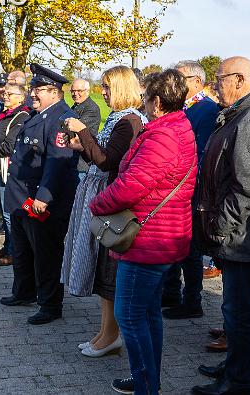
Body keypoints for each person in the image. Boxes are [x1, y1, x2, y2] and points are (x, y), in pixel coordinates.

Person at [90, 69, 197, 394]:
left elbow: (129, 187)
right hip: (158, 233)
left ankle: (146, 386)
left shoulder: (163, 136)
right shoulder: (174, 126)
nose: (142, 100)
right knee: (148, 313)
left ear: (157, 101)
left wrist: (97, 204)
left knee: (130, 316)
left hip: (147, 238)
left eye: (146, 94)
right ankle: (146, 380)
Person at [192, 57, 250, 395]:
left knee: (238, 310)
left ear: (240, 80)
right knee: (234, 307)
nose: (215, 85)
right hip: (236, 233)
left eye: (219, 79)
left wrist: (221, 227)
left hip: (241, 234)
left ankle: (237, 382)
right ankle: (232, 368)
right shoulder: (244, 113)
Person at [61, 65, 147, 358]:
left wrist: (83, 131)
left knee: (109, 271)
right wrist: (81, 146)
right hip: (102, 194)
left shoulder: (130, 121)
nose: (104, 93)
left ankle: (111, 334)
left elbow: (109, 161)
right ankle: (104, 332)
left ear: (122, 88)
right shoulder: (118, 118)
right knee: (102, 270)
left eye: (108, 88)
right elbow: (100, 156)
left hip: (113, 202)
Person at [0, 63, 79, 325]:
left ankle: (50, 304)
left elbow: (57, 162)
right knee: (22, 250)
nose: (33, 93)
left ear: (55, 92)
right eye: (33, 88)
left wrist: (43, 196)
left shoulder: (61, 118)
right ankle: (24, 292)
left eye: (40, 89)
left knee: (46, 254)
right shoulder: (37, 114)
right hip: (22, 198)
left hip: (41, 201)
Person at [162, 60, 219, 321]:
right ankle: (171, 292)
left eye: (181, 78)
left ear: (196, 82)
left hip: (191, 189)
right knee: (174, 243)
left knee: (191, 249)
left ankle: (192, 299)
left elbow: (201, 152)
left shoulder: (206, 109)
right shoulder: (183, 108)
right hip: (175, 188)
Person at [0, 83, 30, 266]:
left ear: (21, 98)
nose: (5, 96)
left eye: (10, 94)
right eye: (5, 93)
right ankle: (8, 247)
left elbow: (9, 145)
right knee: (4, 211)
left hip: (7, 168)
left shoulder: (21, 117)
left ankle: (15, 253)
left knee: (9, 214)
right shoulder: (3, 115)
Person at [70, 78, 101, 177]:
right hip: (72, 159)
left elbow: (76, 129)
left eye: (79, 91)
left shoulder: (91, 108)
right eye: (73, 91)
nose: (75, 94)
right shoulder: (75, 106)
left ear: (87, 91)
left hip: (82, 162)